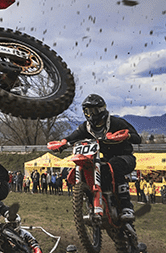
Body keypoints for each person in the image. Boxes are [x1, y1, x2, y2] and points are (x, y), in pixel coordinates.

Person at [49, 94, 141, 222]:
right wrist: (62, 144)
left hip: (125, 157)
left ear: (102, 109)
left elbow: (137, 138)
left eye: (94, 110)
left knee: (114, 165)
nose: (92, 114)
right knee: (92, 167)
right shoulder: (86, 127)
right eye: (88, 111)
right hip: (106, 159)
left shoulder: (116, 122)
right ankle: (96, 202)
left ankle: (127, 207)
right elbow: (72, 137)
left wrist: (126, 136)